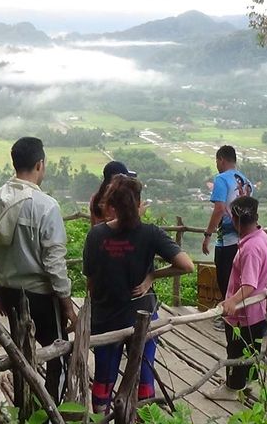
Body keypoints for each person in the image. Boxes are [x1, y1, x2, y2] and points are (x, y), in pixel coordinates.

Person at [83, 174, 194, 415]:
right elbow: (187, 265)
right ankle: (144, 417)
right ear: (138, 203)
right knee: (144, 374)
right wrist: (151, 276)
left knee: (103, 378)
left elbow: (90, 282)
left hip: (106, 319)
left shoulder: (96, 235)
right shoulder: (150, 233)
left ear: (111, 205)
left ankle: (101, 418)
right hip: (141, 317)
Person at [0, 136, 78, 404]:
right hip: (41, 296)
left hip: (10, 293)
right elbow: (54, 263)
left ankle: (24, 405)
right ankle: (51, 411)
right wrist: (67, 305)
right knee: (57, 353)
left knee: (21, 353)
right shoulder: (46, 205)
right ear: (39, 164)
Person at [205, 196, 267, 400]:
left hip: (243, 314)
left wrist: (232, 301)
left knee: (236, 350)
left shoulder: (250, 248)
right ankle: (247, 383)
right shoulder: (262, 238)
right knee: (252, 349)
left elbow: (249, 284)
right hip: (258, 312)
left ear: (235, 220)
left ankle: (232, 389)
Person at [202, 145, 253, 331]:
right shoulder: (247, 182)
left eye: (217, 161)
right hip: (245, 239)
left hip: (226, 240)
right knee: (240, 279)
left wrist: (208, 235)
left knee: (226, 279)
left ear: (221, 159)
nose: (217, 165)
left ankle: (228, 318)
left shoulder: (221, 179)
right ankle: (239, 317)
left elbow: (219, 209)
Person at [89, 161, 137, 226]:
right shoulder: (118, 199)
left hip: (98, 235)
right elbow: (123, 224)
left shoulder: (95, 198)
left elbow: (93, 226)